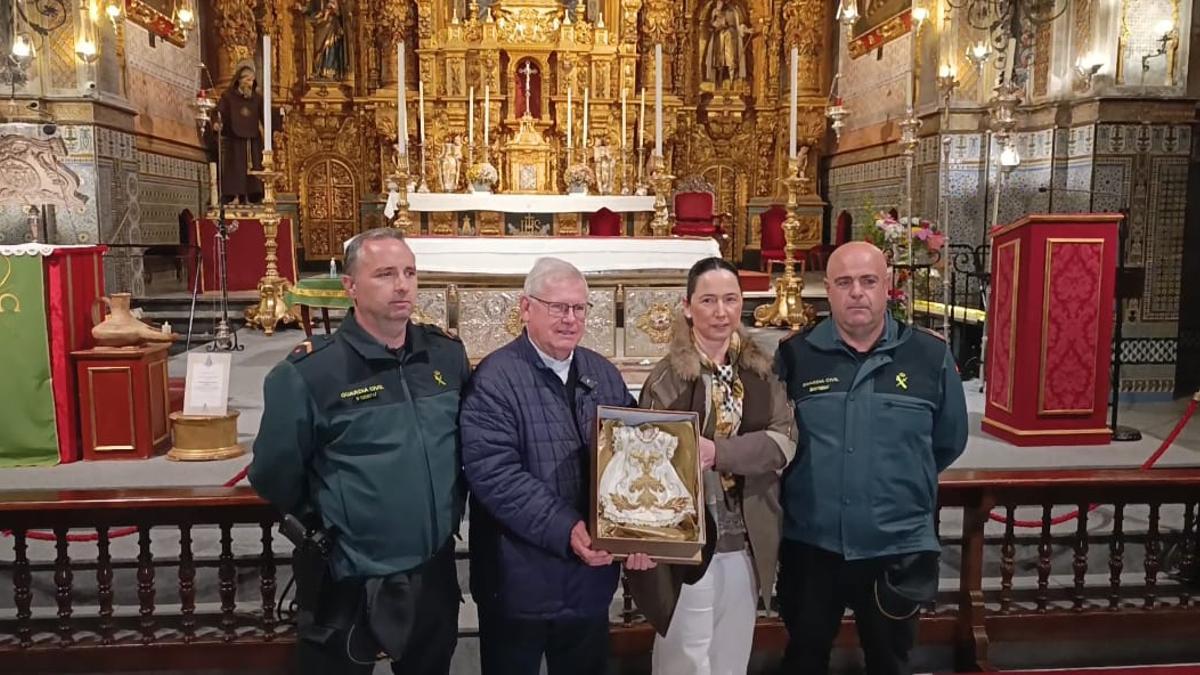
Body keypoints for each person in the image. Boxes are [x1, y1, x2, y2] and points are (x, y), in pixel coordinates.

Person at [249, 228, 467, 675]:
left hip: (432, 571)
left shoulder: (445, 356)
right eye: (385, 274)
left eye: (409, 272)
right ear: (349, 286)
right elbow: (274, 474)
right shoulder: (309, 373)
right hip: (350, 576)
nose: (402, 285)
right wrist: (338, 521)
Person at [773, 241, 969, 675]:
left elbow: (947, 440)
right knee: (803, 660)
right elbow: (777, 440)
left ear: (888, 286)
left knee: (891, 663)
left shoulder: (929, 355)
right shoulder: (795, 355)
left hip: (895, 547)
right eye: (844, 282)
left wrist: (893, 484)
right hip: (812, 544)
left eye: (868, 281)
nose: (856, 292)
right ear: (826, 289)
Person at [461, 257, 647, 675]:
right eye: (557, 307)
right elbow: (494, 474)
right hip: (519, 586)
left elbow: (634, 454)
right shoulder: (495, 379)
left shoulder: (602, 373)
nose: (570, 319)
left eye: (580, 308)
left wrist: (640, 529)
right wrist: (566, 529)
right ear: (525, 308)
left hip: (588, 582)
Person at [625, 257, 796, 675]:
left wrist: (716, 452)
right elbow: (645, 459)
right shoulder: (669, 377)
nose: (721, 312)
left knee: (731, 655)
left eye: (730, 299)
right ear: (687, 307)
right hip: (689, 542)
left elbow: (784, 443)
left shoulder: (762, 369)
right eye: (708, 300)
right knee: (687, 654)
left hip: (748, 535)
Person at [213, 62, 263, 204]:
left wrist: (281, 113)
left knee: (253, 166)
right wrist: (217, 122)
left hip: (252, 139)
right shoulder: (229, 96)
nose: (250, 83)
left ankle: (252, 196)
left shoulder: (257, 99)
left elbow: (266, 114)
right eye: (247, 79)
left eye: (252, 80)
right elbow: (219, 111)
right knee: (236, 167)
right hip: (235, 138)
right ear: (239, 80)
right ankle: (234, 195)